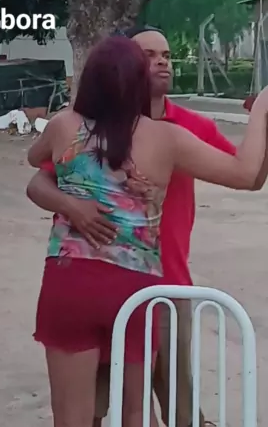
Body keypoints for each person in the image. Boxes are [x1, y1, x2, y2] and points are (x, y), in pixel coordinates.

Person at [27, 26, 268, 427]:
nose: (161, 64)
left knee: (72, 417)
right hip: (138, 288)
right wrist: (261, 110)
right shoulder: (167, 138)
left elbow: (36, 161)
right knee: (136, 413)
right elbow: (246, 173)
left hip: (70, 281)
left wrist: (75, 189)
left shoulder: (64, 125)